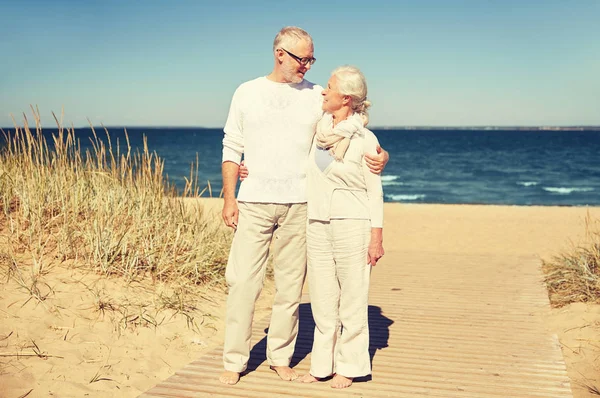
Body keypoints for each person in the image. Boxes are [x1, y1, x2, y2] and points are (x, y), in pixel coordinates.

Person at [219, 26, 388, 386]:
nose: (308, 66)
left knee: (290, 289)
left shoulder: (317, 96)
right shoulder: (247, 92)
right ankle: (234, 360)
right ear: (280, 53)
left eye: (312, 59)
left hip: (302, 205)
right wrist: (230, 196)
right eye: (303, 59)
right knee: (243, 284)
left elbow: (351, 124)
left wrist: (381, 155)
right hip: (253, 202)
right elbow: (232, 146)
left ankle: (280, 357)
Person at [299, 65, 384, 389]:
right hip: (317, 223)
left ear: (345, 98)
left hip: (354, 225)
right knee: (322, 300)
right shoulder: (319, 131)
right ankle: (321, 366)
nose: (323, 91)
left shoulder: (365, 138)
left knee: (351, 300)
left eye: (330, 87)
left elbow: (375, 191)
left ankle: (348, 367)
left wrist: (376, 238)